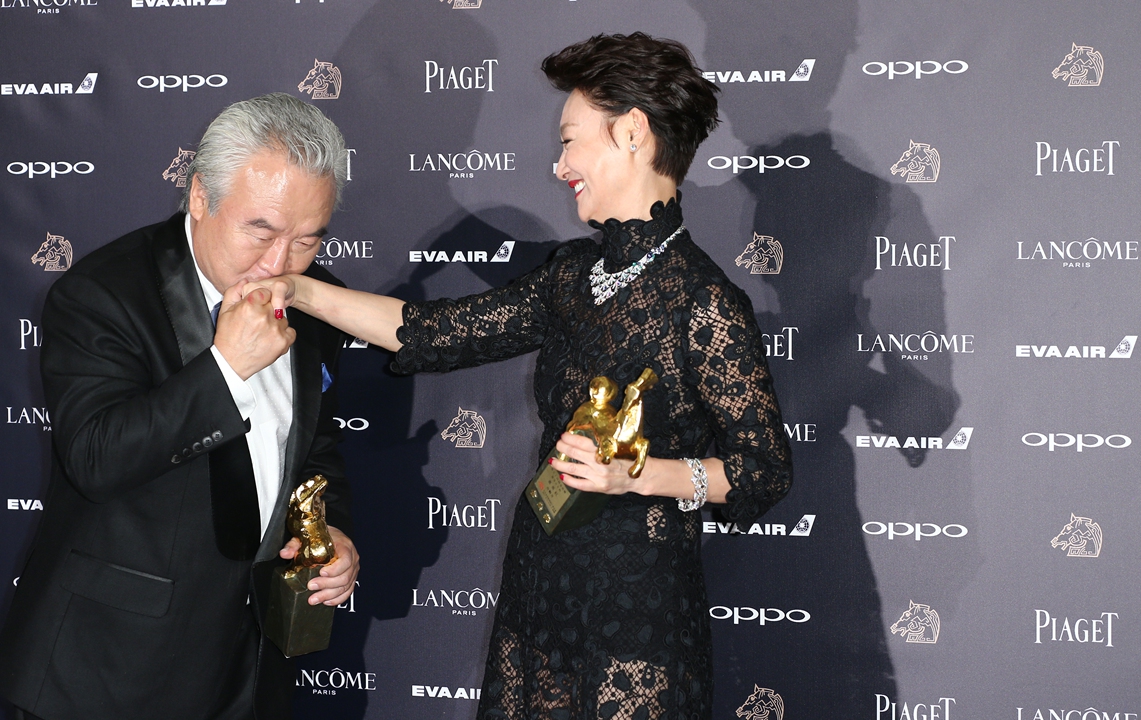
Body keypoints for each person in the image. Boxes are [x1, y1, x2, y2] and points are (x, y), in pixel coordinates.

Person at [255, 33, 791, 719]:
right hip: (539, 593)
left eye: (571, 141)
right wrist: (296, 288)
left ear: (631, 133)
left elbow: (766, 470)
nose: (560, 163)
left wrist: (642, 475)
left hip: (637, 616)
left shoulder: (704, 302)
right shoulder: (571, 277)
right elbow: (431, 331)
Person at [0, 93, 360, 720]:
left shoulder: (315, 295)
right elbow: (96, 458)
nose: (279, 265)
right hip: (111, 674)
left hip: (248, 666)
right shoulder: (101, 294)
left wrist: (332, 531)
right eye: (262, 230)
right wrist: (225, 371)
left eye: (308, 240)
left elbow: (313, 445)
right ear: (199, 197)